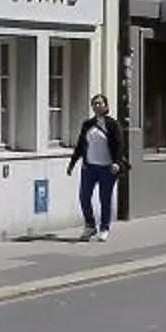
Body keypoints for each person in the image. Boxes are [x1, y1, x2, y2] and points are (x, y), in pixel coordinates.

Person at [65, 92, 127, 242]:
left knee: (104, 199)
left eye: (100, 103)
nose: (97, 106)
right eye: (94, 103)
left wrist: (117, 163)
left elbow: (119, 145)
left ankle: (104, 228)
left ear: (106, 106)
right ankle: (90, 225)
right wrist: (72, 163)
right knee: (84, 197)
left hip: (107, 168)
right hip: (89, 168)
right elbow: (80, 145)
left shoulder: (112, 124)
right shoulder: (88, 125)